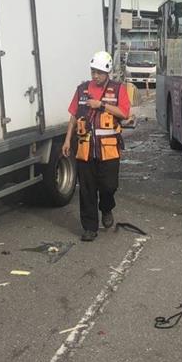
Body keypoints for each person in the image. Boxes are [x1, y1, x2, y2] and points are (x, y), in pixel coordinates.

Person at [62, 50, 131, 241]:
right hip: (85, 149)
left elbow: (124, 113)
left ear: (107, 72)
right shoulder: (82, 89)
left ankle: (107, 208)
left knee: (109, 187)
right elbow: (74, 116)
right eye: (93, 71)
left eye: (99, 72)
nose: (95, 75)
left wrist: (100, 105)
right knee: (86, 190)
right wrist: (67, 140)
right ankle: (89, 228)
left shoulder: (118, 89)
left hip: (109, 150)